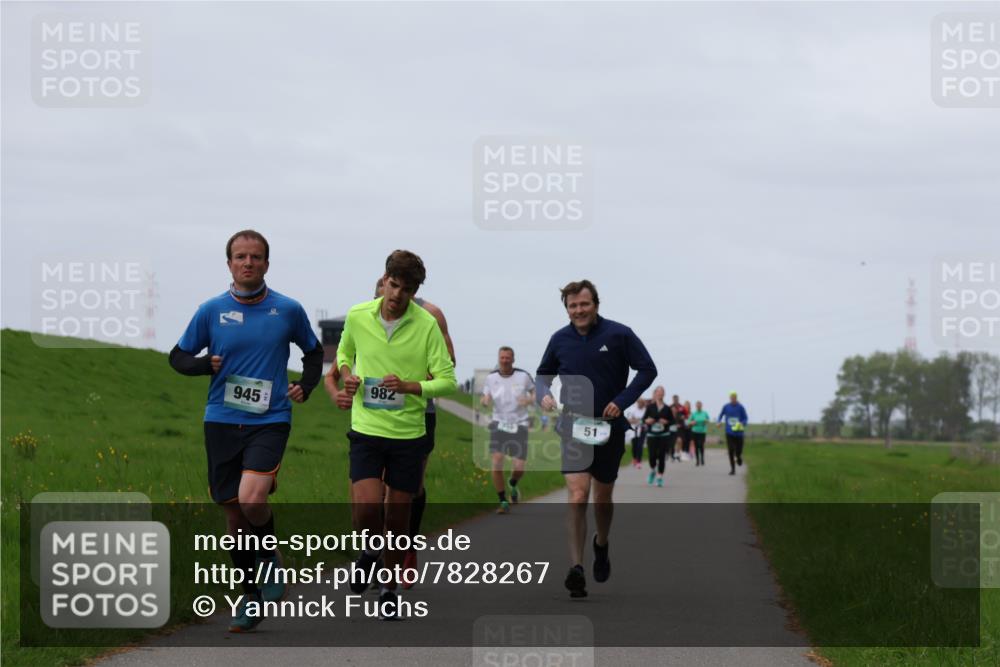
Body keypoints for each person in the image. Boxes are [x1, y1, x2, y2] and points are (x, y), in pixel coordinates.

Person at [169, 230, 324, 632]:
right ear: (229, 264)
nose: (248, 263)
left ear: (267, 264)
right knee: (235, 517)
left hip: (270, 419)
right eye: (240, 256)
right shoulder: (211, 310)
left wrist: (305, 385)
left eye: (256, 257)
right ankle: (249, 596)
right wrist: (206, 365)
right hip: (221, 419)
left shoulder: (287, 310)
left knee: (252, 498)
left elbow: (312, 352)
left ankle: (270, 559)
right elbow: (179, 356)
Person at [331, 250, 456, 619]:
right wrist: (347, 372)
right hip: (367, 428)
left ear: (416, 291)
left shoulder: (427, 325)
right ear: (384, 280)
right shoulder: (357, 315)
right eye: (394, 284)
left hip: (407, 435)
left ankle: (388, 588)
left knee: (398, 518)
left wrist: (411, 387)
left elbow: (447, 381)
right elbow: (343, 352)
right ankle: (370, 552)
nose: (398, 294)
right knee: (367, 508)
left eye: (407, 289)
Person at [536, 279, 656, 598]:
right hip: (573, 425)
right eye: (573, 306)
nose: (579, 310)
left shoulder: (619, 334)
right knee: (578, 494)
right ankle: (576, 568)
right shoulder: (559, 339)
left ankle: (601, 543)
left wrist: (623, 400)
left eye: (584, 304)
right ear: (567, 309)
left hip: (608, 427)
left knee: (602, 498)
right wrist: (543, 395)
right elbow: (542, 376)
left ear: (596, 305)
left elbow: (647, 370)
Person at [374, 278, 456, 589]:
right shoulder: (367, 315)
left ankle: (407, 544)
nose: (392, 297)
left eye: (399, 289)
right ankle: (382, 557)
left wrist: (410, 381)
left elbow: (448, 365)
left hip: (419, 413)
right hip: (376, 413)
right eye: (386, 290)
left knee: (408, 488)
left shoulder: (431, 315)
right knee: (379, 487)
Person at [480, 346, 535, 514]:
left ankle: (512, 483)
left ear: (513, 359)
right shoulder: (491, 378)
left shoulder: (523, 376)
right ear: (498, 358)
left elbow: (535, 394)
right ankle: (503, 501)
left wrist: (528, 400)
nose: (505, 360)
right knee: (497, 461)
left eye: (508, 358)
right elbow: (485, 395)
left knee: (519, 468)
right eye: (502, 357)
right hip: (499, 423)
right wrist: (485, 400)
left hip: (520, 424)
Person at [643, 387, 676, 486]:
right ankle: (653, 470)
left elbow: (672, 421)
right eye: (658, 392)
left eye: (662, 392)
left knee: (661, 456)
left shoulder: (667, 408)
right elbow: (644, 419)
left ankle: (659, 477)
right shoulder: (650, 407)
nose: (660, 394)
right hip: (652, 434)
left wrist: (666, 422)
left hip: (664, 434)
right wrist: (647, 421)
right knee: (652, 456)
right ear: (655, 394)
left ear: (664, 394)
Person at [717, 391, 749, 475]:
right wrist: (719, 421)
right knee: (731, 450)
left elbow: (745, 418)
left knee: (738, 450)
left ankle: (738, 457)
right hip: (729, 432)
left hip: (739, 433)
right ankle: (733, 469)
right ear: (730, 398)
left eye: (734, 397)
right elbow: (720, 415)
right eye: (731, 397)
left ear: (736, 398)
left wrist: (742, 423)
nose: (733, 399)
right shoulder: (726, 407)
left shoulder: (741, 407)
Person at [624, 397, 648, 468]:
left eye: (642, 403)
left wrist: (639, 421)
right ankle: (634, 458)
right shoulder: (633, 409)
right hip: (633, 430)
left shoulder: (646, 410)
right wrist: (636, 421)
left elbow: (646, 420)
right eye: (639, 403)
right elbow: (628, 420)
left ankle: (638, 461)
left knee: (640, 445)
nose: (640, 404)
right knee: (634, 445)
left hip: (642, 429)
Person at [688, 400, 711, 466]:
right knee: (696, 446)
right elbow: (688, 422)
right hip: (695, 431)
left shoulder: (704, 413)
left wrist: (706, 421)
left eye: (699, 405)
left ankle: (702, 459)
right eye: (697, 405)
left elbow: (708, 420)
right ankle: (697, 460)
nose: (698, 406)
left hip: (702, 431)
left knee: (701, 445)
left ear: (701, 406)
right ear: (696, 406)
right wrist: (692, 422)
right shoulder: (693, 414)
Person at [669, 394, 689, 461]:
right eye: (674, 399)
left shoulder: (682, 407)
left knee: (680, 440)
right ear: (672, 399)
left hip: (681, 427)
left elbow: (687, 415)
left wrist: (684, 417)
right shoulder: (670, 407)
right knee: (673, 441)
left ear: (678, 399)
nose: (675, 400)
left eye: (676, 399)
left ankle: (678, 453)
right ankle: (673, 454)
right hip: (672, 426)